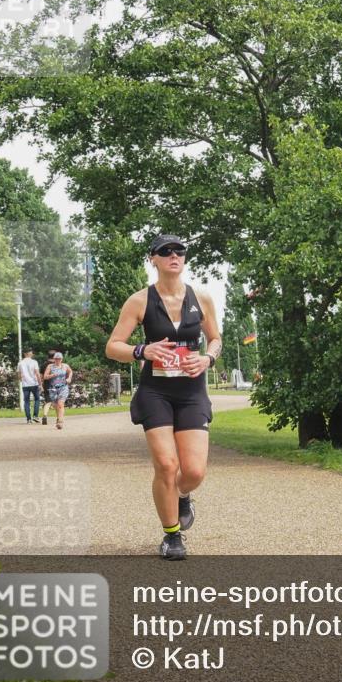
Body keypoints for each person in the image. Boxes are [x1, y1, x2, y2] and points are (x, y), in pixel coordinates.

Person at [105, 234, 222, 561]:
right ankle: (172, 536)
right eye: (165, 251)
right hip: (155, 391)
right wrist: (143, 350)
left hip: (191, 391)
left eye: (179, 251)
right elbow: (113, 346)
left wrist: (207, 359)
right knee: (167, 465)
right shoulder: (139, 301)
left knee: (194, 472)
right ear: (152, 259)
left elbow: (215, 340)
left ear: (184, 258)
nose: (174, 255)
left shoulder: (202, 298)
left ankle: (182, 495)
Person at [43, 352, 73, 430]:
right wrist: (51, 375)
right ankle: (58, 418)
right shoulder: (50, 366)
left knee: (60, 404)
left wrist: (69, 378)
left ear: (61, 359)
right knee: (55, 405)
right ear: (54, 359)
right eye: (56, 359)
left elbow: (70, 372)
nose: (58, 360)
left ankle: (60, 422)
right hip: (53, 388)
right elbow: (45, 377)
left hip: (63, 387)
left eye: (59, 359)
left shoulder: (65, 366)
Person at [17, 348, 42, 424]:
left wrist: (22, 380)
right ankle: (35, 416)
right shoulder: (34, 362)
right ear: (30, 354)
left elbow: (19, 375)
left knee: (26, 401)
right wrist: (40, 383)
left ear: (24, 354)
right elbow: (37, 373)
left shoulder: (20, 363)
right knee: (37, 399)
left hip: (25, 385)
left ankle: (28, 419)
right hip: (34, 383)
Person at [40, 349, 57, 425]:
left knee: (48, 401)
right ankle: (58, 418)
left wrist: (41, 385)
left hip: (46, 385)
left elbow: (41, 377)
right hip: (56, 385)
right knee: (56, 402)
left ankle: (45, 416)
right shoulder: (57, 365)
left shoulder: (44, 365)